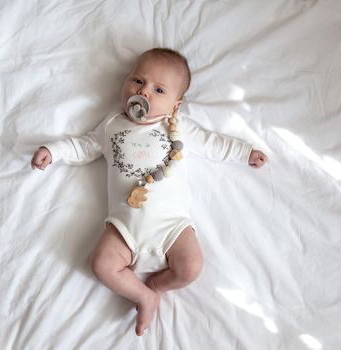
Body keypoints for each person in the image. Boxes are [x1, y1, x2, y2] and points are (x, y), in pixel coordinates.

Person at [31, 48, 268, 336]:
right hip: (124, 226)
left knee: (191, 267)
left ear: (175, 105)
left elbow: (214, 143)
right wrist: (52, 151)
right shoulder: (111, 125)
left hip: (173, 227)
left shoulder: (178, 129)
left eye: (158, 89)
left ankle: (156, 285)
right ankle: (143, 296)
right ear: (126, 83)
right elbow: (83, 146)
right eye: (137, 81)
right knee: (101, 264)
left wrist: (246, 152)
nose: (144, 93)